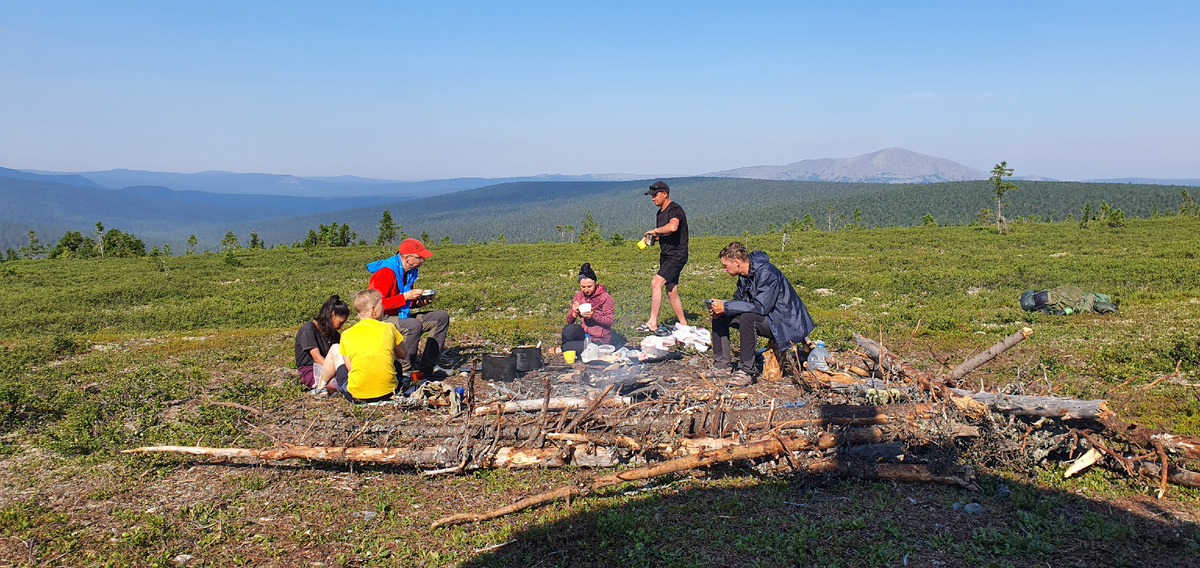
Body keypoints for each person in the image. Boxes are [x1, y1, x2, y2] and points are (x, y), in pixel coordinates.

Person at [708, 242, 816, 387]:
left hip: (786, 323)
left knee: (748, 318)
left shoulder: (766, 273)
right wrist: (722, 309)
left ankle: (747, 371)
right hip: (770, 319)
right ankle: (721, 365)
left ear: (737, 262)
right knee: (721, 316)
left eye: (725, 266)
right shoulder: (744, 276)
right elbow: (739, 301)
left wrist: (726, 307)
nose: (724, 270)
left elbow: (761, 307)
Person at [367, 238, 451, 377]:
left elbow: (402, 302)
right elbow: (376, 306)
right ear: (407, 258)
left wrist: (417, 303)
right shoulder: (386, 272)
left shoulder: (410, 272)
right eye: (420, 257)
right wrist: (405, 297)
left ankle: (428, 367)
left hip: (399, 314)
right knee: (413, 325)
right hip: (382, 318)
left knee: (440, 317)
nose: (423, 261)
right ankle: (404, 370)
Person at [316, 289, 408, 404]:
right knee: (394, 355)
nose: (383, 308)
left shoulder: (347, 334)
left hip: (356, 396)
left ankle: (320, 387)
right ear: (373, 309)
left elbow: (350, 368)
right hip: (389, 393)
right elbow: (403, 354)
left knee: (336, 348)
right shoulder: (389, 327)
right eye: (381, 305)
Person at [637, 180, 688, 336]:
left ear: (665, 194)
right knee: (671, 291)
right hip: (666, 254)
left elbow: (673, 227)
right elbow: (666, 233)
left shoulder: (675, 209)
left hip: (677, 254)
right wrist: (653, 238)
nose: (653, 198)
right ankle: (684, 325)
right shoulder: (660, 213)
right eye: (651, 196)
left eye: (655, 195)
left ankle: (652, 322)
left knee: (656, 283)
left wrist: (656, 230)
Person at [294, 295, 350, 390]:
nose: (342, 326)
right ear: (332, 316)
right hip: (309, 369)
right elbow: (317, 358)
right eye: (340, 322)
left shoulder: (335, 335)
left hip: (329, 369)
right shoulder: (308, 329)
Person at [562, 263, 616, 354]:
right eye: (583, 287)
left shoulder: (605, 298)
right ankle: (571, 348)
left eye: (589, 286)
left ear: (596, 283)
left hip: (600, 339)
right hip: (585, 335)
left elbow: (610, 322)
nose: (586, 290)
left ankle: (566, 348)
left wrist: (593, 315)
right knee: (568, 330)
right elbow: (569, 321)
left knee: (568, 347)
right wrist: (574, 312)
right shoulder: (579, 296)